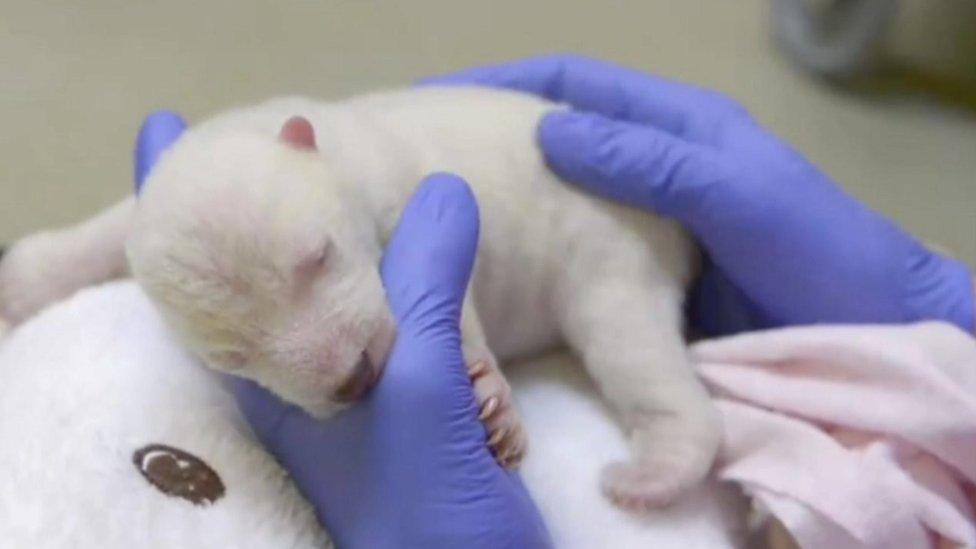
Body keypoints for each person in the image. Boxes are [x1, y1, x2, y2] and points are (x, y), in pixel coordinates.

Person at [134, 54, 975, 548]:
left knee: (609, 295)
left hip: (585, 219)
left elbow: (439, 270)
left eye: (318, 261)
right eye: (238, 353)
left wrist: (473, 365)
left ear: (303, 146)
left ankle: (677, 420)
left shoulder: (347, 154)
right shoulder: (239, 176)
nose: (331, 364)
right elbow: (140, 226)